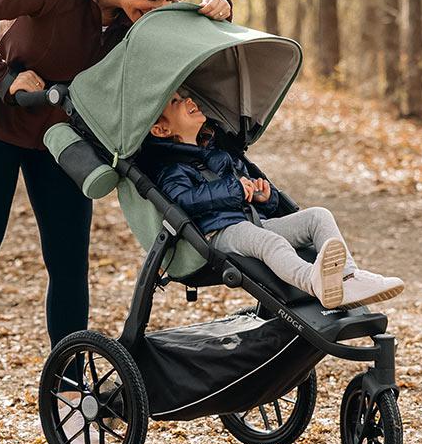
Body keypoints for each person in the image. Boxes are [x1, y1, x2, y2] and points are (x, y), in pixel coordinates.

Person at [0, 0, 233, 444]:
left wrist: (216, 7)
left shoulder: (140, 9)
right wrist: (2, 79)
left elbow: (181, 39)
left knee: (68, 260)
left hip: (60, 137)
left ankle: (72, 397)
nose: (161, 8)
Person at [144, 93, 405, 310]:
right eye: (176, 101)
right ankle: (315, 283)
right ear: (161, 129)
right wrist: (233, 189)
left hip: (250, 222)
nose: (188, 99)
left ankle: (349, 277)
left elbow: (243, 192)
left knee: (318, 216)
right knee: (271, 242)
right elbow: (181, 201)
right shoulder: (170, 168)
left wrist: (264, 198)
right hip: (218, 233)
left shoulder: (217, 152)